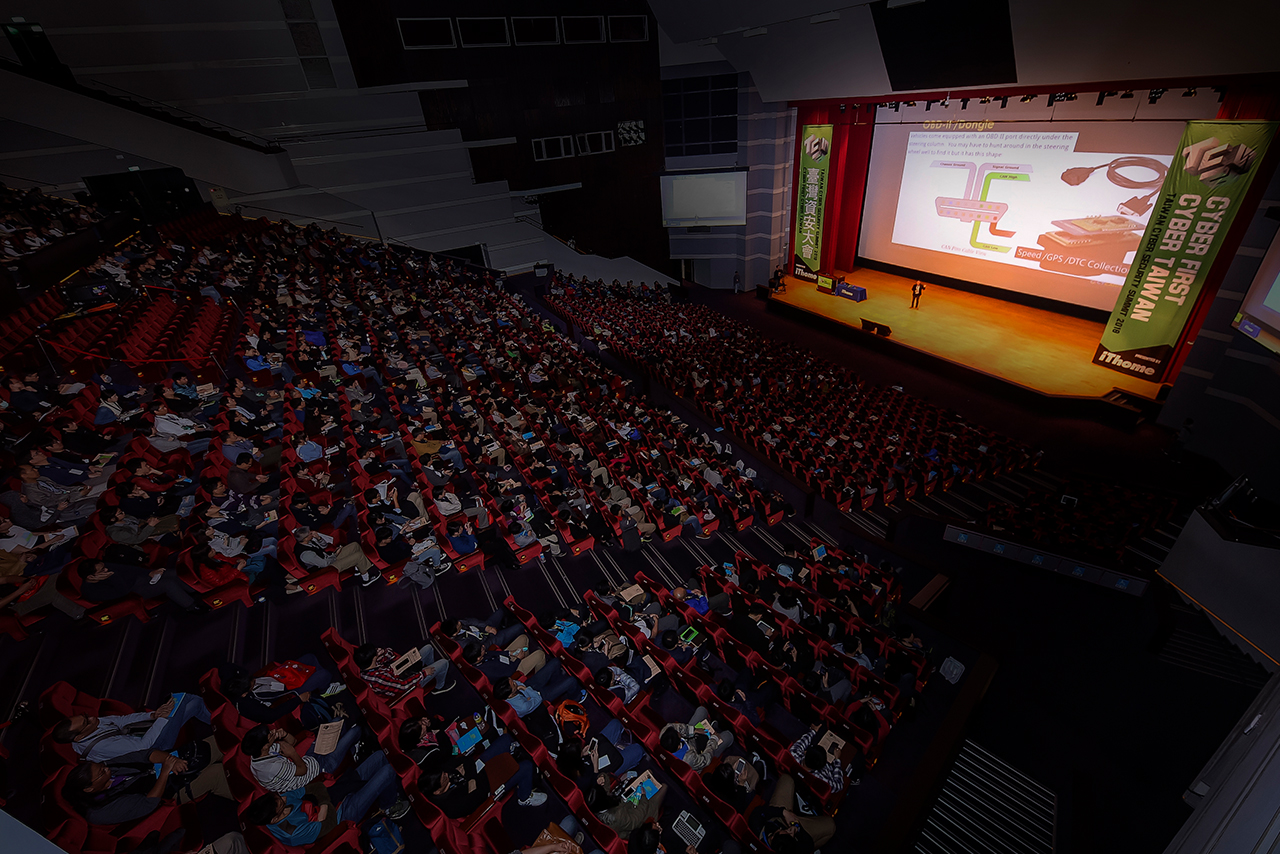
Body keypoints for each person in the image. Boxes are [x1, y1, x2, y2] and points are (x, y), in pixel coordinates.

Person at [244, 749, 408, 845]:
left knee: (379, 756)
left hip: (336, 793)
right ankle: (389, 806)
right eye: (281, 803)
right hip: (342, 815)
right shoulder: (293, 833)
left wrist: (323, 804)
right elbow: (328, 825)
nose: (284, 798)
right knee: (387, 772)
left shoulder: (276, 801)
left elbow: (316, 787)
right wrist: (323, 803)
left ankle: (386, 793)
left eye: (280, 797)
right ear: (274, 819)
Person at [64, 741, 232, 824]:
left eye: (102, 766)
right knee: (216, 773)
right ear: (90, 788)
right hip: (167, 793)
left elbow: (144, 755)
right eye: (101, 772)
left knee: (216, 743)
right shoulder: (101, 810)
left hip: (166, 767)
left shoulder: (107, 767)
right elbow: (148, 804)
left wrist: (171, 759)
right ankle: (244, 789)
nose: (106, 768)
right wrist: (165, 772)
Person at [52, 694, 212, 762]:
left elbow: (122, 720)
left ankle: (217, 721)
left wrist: (153, 715)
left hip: (144, 733)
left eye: (85, 716)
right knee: (191, 701)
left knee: (190, 701)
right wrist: (162, 719)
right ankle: (220, 723)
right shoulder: (100, 747)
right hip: (155, 748)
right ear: (78, 737)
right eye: (87, 722)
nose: (93, 718)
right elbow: (143, 747)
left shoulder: (92, 725)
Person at [422, 735, 547, 815]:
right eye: (443, 777)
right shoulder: (452, 805)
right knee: (526, 767)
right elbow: (479, 795)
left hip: (478, 769)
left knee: (506, 739)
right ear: (437, 791)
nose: (445, 773)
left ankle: (511, 756)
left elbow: (466, 760)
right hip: (489, 786)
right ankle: (524, 797)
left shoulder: (439, 772)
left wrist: (471, 780)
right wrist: (469, 775)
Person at [244, 723, 358, 794]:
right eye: (270, 734)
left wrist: (284, 734)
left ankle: (350, 749)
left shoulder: (260, 753)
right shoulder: (271, 768)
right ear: (265, 746)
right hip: (317, 771)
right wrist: (292, 753)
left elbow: (292, 742)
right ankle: (354, 749)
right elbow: (303, 770)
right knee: (355, 730)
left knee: (336, 723)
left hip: (309, 759)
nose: (273, 731)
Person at [747, 773, 835, 852]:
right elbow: (808, 845)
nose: (789, 831)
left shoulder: (756, 827)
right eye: (790, 835)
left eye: (785, 831)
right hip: (798, 831)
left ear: (772, 837)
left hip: (775, 818)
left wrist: (784, 812)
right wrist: (797, 829)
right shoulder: (791, 847)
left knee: (787, 779)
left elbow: (760, 811)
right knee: (831, 826)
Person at [353, 642, 454, 697]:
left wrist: (382, 652)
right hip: (406, 687)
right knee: (444, 662)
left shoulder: (368, 666)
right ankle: (439, 686)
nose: (377, 650)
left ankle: (432, 672)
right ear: (372, 659)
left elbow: (389, 654)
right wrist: (423, 673)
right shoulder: (378, 678)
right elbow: (403, 686)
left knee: (428, 648)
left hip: (397, 673)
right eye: (376, 652)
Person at [585, 778, 668, 839]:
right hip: (639, 819)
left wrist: (603, 777)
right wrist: (643, 797)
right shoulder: (617, 817)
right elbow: (637, 818)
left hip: (626, 806)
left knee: (648, 774)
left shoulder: (594, 804)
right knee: (664, 787)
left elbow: (605, 790)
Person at [659, 707, 733, 770]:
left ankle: (710, 727)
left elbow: (677, 727)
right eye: (678, 734)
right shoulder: (689, 760)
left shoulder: (665, 733)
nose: (678, 732)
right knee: (728, 736)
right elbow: (705, 759)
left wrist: (693, 730)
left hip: (689, 740)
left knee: (701, 710)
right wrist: (714, 739)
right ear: (678, 746)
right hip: (698, 754)